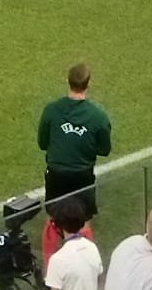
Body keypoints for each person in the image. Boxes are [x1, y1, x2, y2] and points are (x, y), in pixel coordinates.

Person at [39, 64, 112, 218]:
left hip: (56, 174)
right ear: (88, 84)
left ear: (68, 81)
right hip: (82, 175)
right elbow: (104, 150)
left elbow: (42, 143)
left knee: (53, 219)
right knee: (83, 219)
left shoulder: (51, 110)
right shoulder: (98, 116)